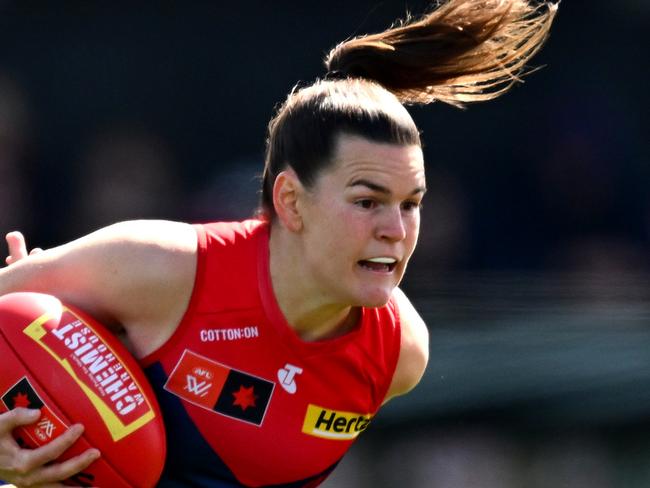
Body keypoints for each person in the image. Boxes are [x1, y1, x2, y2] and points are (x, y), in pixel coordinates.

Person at [0, 0, 558, 486]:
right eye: (367, 201)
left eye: (411, 202)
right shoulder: (158, 267)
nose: (397, 229)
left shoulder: (399, 354)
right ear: (290, 202)